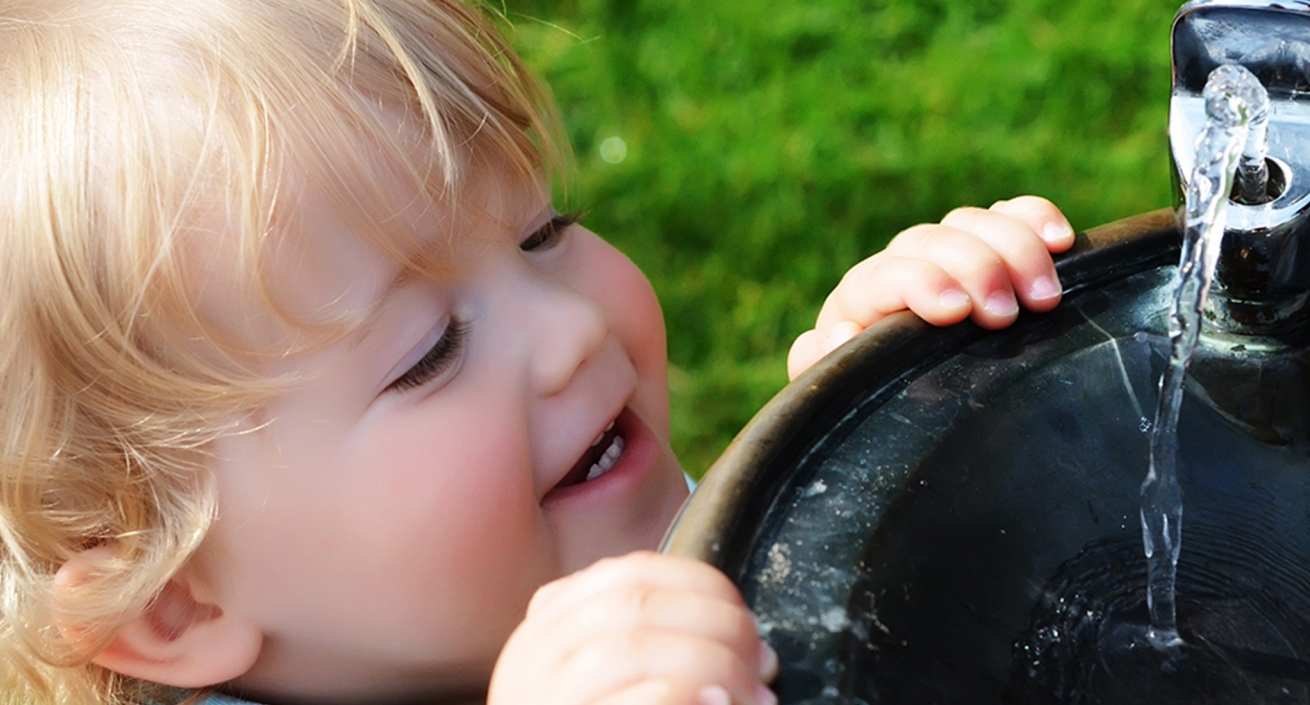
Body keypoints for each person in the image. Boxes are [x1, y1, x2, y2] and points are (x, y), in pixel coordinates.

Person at [0, 0, 1075, 703]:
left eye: (541, 234)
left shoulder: (563, 539)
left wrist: (874, 440)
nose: (567, 330)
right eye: (426, 353)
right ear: (177, 602)